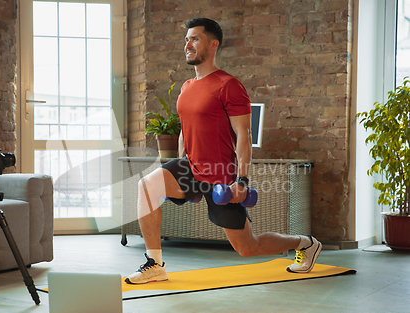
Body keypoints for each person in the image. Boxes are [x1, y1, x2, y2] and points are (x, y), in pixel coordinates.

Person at [125, 18, 321, 285]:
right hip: (190, 167)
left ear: (213, 44)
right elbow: (185, 129)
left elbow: (244, 134)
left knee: (247, 247)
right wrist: (179, 167)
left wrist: (241, 180)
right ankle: (155, 263)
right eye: (186, 39)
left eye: (195, 38)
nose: (187, 44)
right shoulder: (186, 87)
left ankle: (305, 243)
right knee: (147, 186)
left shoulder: (229, 85)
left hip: (222, 175)